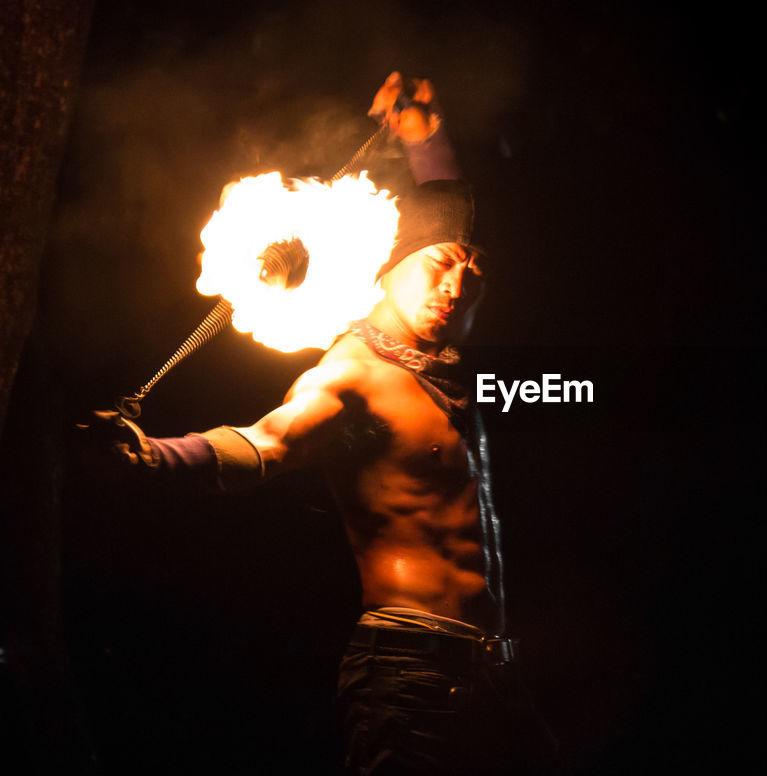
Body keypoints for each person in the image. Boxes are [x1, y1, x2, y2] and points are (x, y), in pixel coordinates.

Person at [85, 72, 554, 775]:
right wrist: (157, 456)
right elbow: (269, 442)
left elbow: (446, 214)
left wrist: (427, 140)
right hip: (408, 670)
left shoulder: (453, 369)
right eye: (438, 266)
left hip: (497, 672)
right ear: (387, 269)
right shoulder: (353, 374)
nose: (454, 288)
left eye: (471, 272)